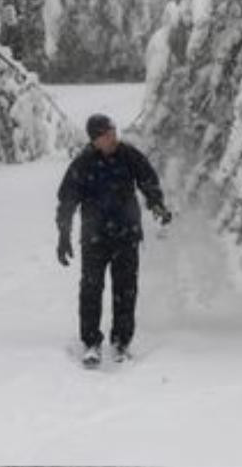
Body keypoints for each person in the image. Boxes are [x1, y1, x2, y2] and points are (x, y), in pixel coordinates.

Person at [56, 113, 172, 366]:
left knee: (125, 290)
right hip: (94, 238)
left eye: (114, 132)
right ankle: (91, 343)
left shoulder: (129, 155)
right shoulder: (83, 164)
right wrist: (63, 235)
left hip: (126, 235)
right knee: (91, 289)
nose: (113, 137)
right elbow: (66, 201)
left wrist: (157, 205)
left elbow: (148, 180)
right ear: (95, 139)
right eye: (107, 134)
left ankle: (121, 342)